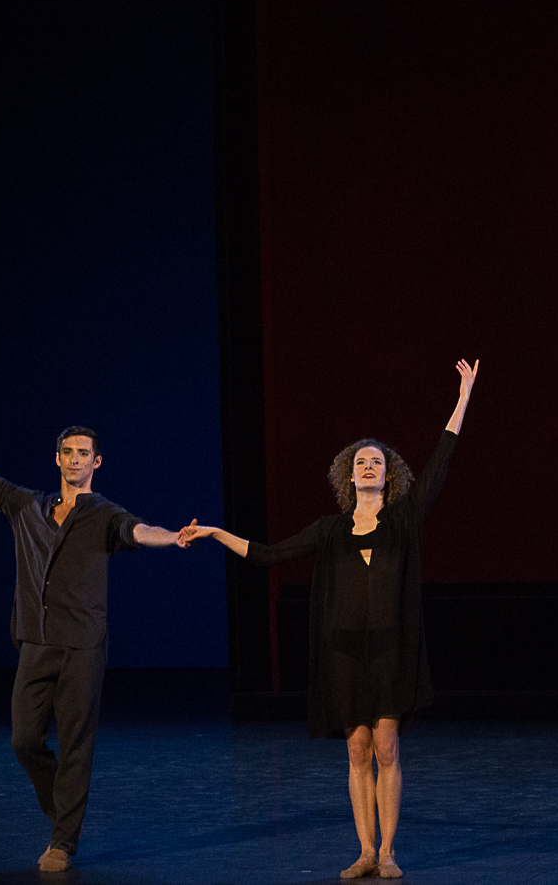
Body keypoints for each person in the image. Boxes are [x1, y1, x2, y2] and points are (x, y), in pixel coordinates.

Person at [181, 359, 478, 880]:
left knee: (387, 747)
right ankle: (364, 851)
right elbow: (267, 554)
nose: (368, 467)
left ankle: (388, 852)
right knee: (357, 750)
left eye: (377, 462)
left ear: (389, 475)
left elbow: (441, 460)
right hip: (343, 652)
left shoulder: (404, 519)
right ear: (349, 475)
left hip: (390, 651)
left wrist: (463, 396)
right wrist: (214, 533)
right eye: (360, 462)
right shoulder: (329, 529)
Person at [0, 408, 192, 873]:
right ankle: (62, 810)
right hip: (36, 642)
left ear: (97, 462)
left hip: (82, 645)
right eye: (68, 452)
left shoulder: (105, 515)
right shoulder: (27, 506)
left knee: (76, 744)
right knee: (24, 739)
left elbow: (138, 531)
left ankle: (63, 841)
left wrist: (173, 538)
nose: (75, 459)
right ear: (57, 458)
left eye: (83, 453)